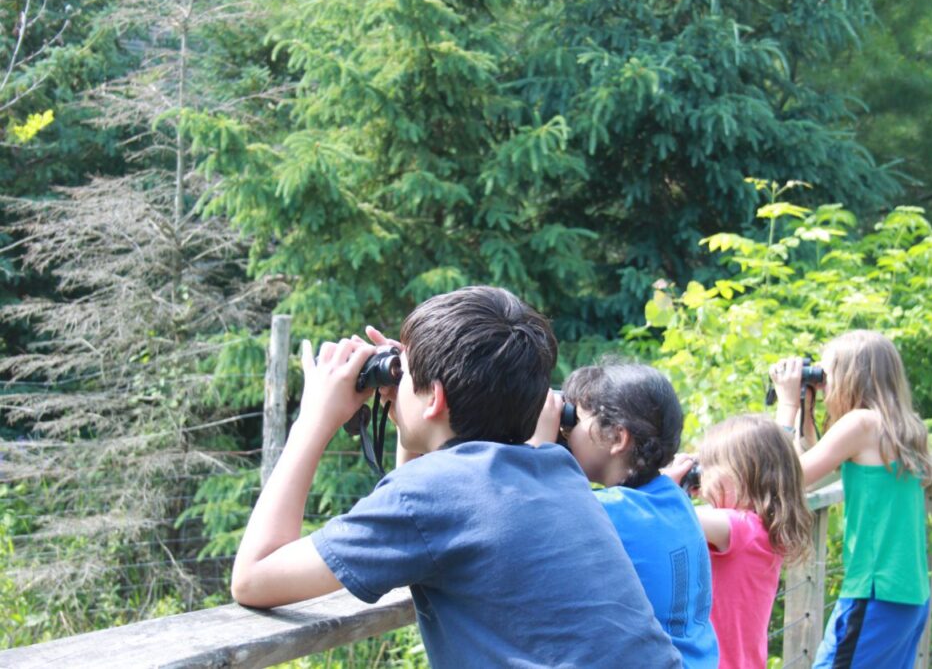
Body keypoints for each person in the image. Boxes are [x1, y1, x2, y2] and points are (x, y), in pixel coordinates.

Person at [230, 286, 681, 668]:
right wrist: (412, 397)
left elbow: (253, 577)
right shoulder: (555, 469)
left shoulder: (434, 495)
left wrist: (312, 420)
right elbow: (418, 515)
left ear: (435, 399)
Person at [530, 361, 719, 668]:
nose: (565, 431)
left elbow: (532, 513)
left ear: (617, 438)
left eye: (573, 421)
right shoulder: (671, 499)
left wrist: (537, 444)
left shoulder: (611, 513)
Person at [771, 330, 932, 669]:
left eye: (827, 373)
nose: (822, 382)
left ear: (851, 377)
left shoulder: (861, 424)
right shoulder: (900, 428)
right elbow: (816, 474)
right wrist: (808, 411)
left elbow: (789, 479)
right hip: (907, 595)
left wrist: (787, 405)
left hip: (875, 592)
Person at [664, 414, 813, 669]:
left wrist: (665, 484)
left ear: (738, 475)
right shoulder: (762, 529)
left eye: (708, 469)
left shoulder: (740, 528)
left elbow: (670, 516)